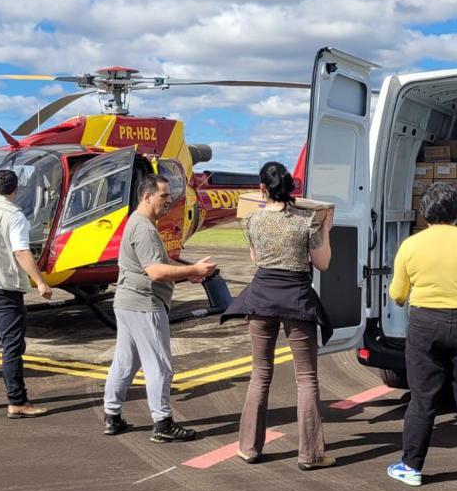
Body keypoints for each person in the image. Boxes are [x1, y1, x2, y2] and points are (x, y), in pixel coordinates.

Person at [384, 181, 457, 489]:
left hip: (425, 324)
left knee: (422, 399)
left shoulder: (411, 245)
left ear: (425, 212)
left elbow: (397, 295)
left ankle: (411, 466)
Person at [220, 161, 336, 470]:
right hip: (296, 299)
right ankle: (310, 454)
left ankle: (248, 447)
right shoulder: (306, 220)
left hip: (261, 299)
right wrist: (326, 229)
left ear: (262, 188)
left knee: (260, 374)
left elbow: (256, 258)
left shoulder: (253, 220)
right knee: (307, 378)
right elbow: (322, 263)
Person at [103, 174, 216, 442]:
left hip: (128, 303)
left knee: (125, 362)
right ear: (147, 196)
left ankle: (112, 416)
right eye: (164, 196)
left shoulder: (138, 222)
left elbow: (155, 266)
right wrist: (194, 269)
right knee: (159, 366)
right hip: (144, 304)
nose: (168, 202)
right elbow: (154, 271)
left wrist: (186, 274)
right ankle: (162, 423)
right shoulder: (144, 228)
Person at [0, 170, 53, 417]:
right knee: (12, 345)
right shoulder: (14, 215)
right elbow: (21, 251)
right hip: (3, 286)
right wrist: (40, 282)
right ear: (15, 190)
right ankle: (17, 400)